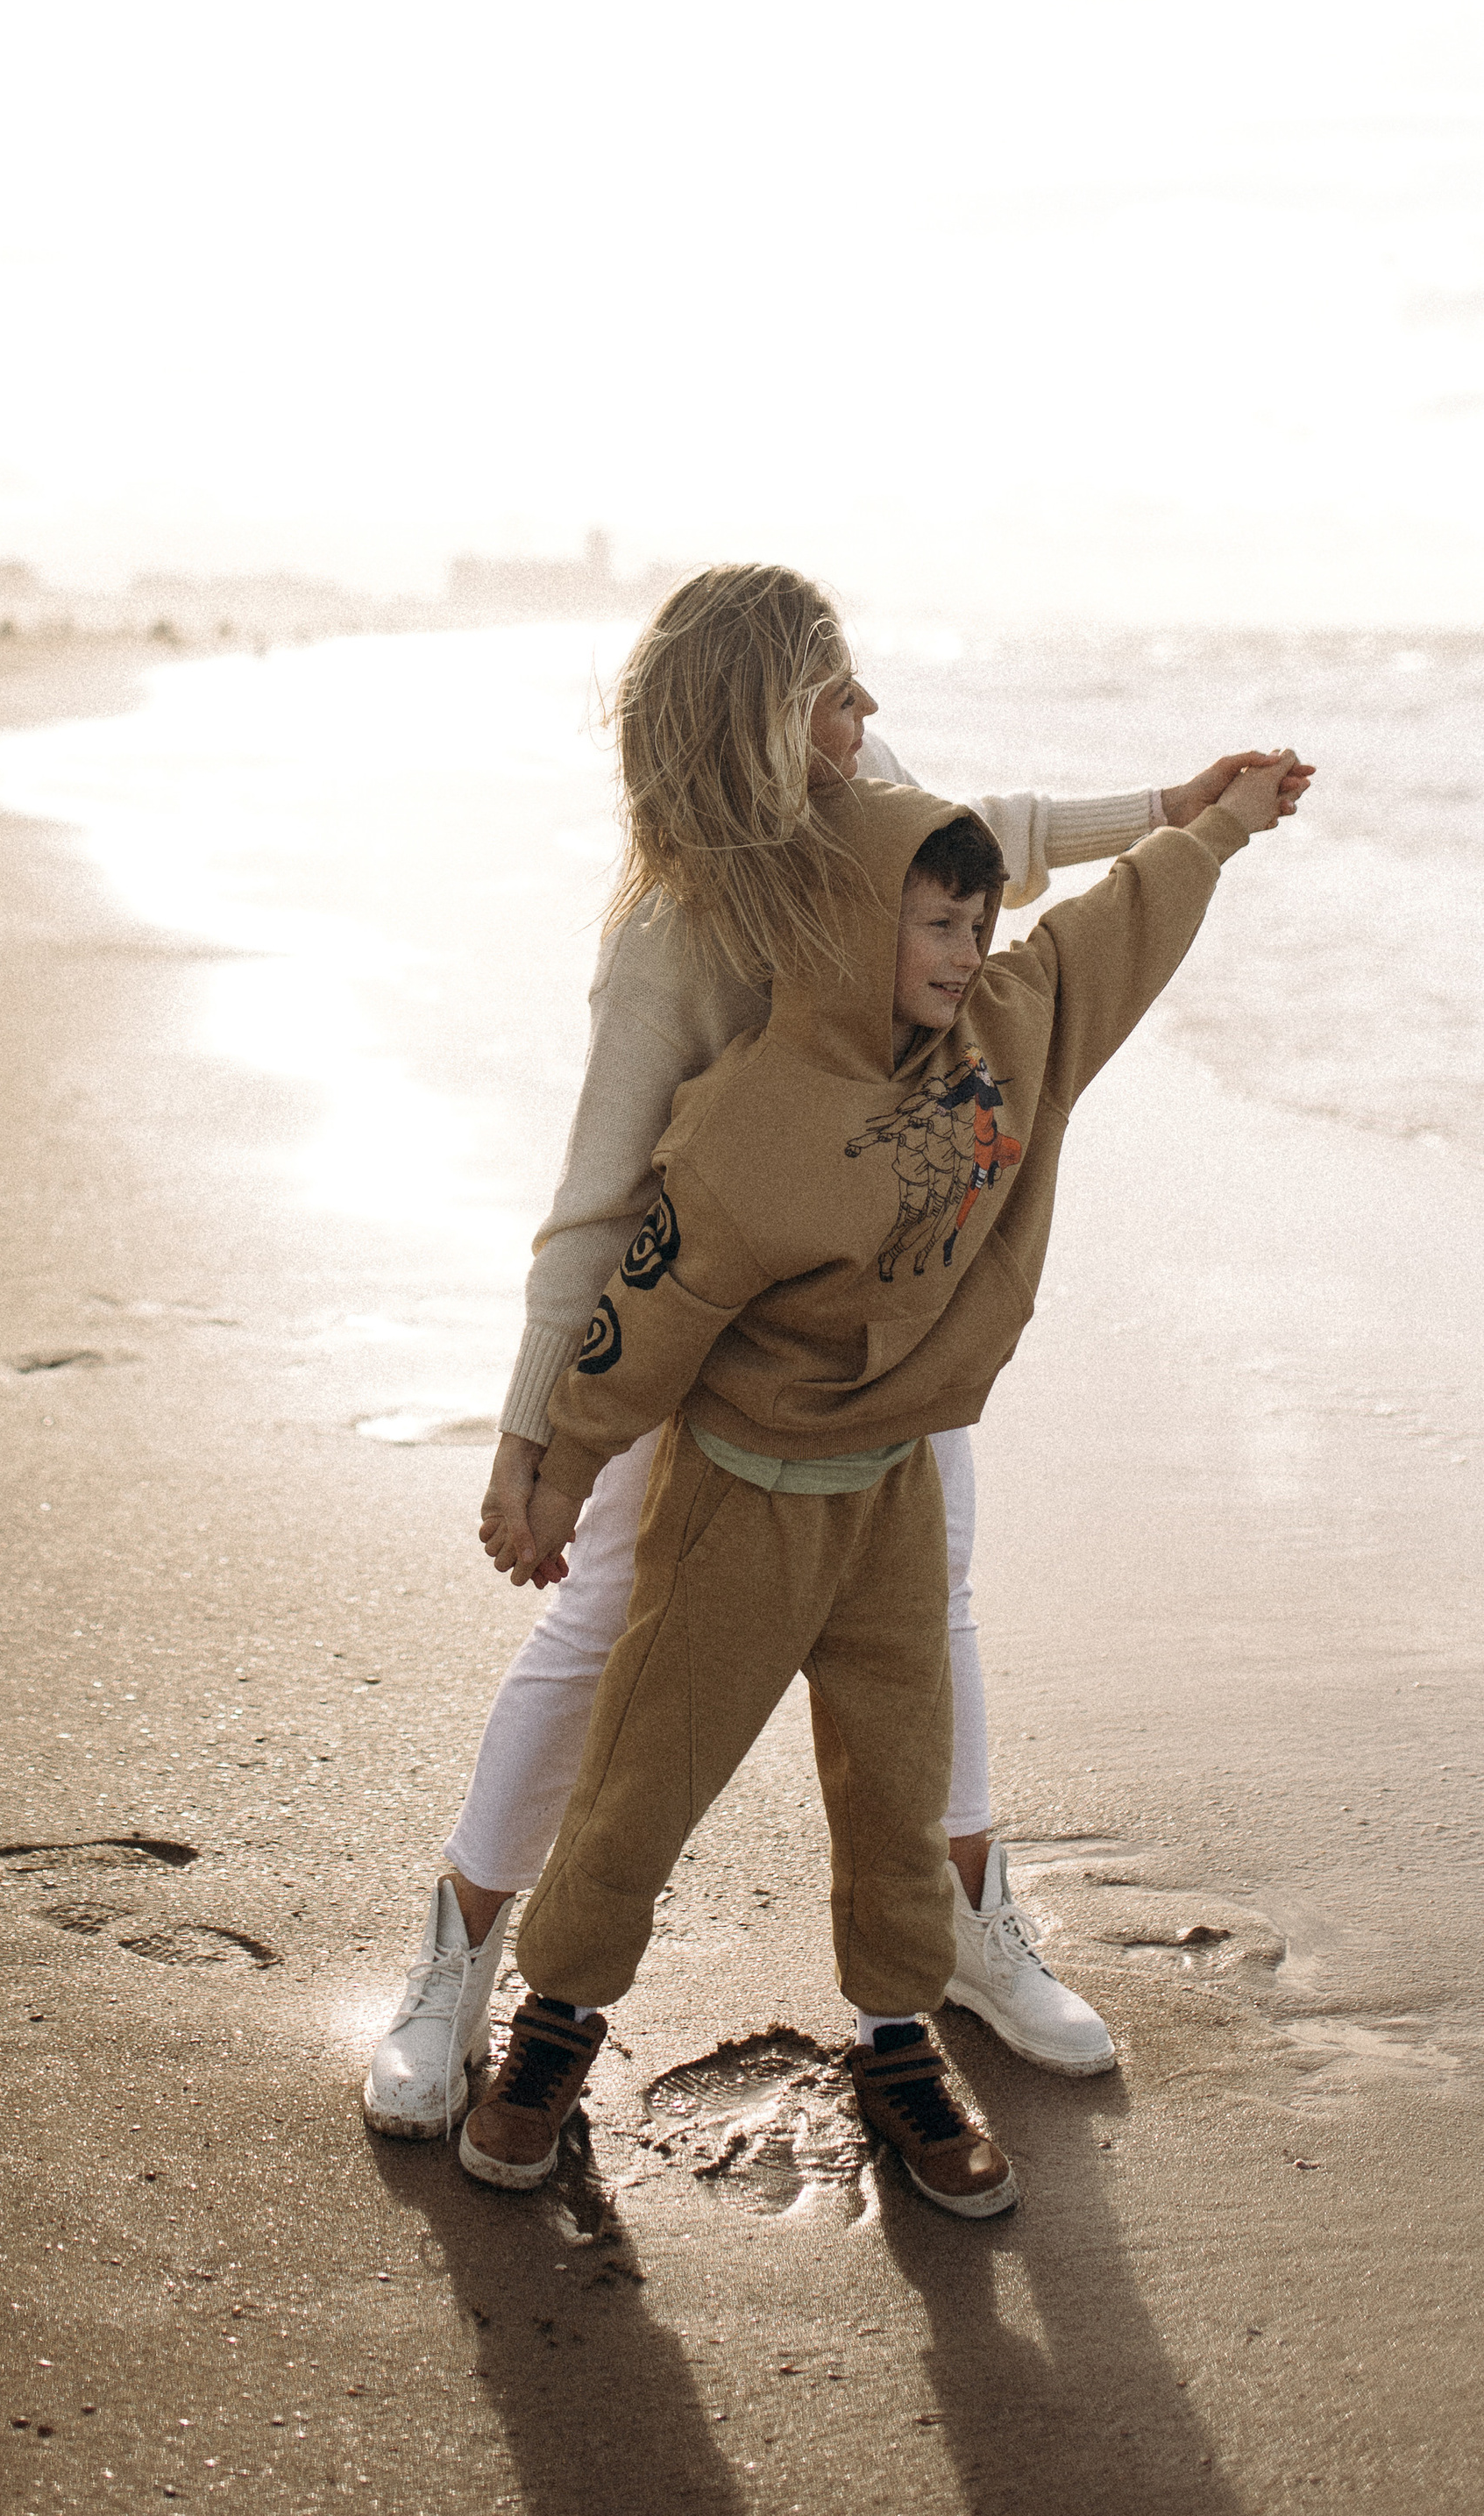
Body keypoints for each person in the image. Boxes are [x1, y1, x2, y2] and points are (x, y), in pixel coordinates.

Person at [364, 565, 1311, 2141]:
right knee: (605, 1609)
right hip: (694, 1322)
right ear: (758, 726)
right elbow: (595, 1209)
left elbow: (983, 836)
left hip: (902, 1302)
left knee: (929, 1599)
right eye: (838, 696)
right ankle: (460, 1957)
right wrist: (534, 1442)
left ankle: (964, 1935)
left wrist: (1170, 808)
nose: (870, 722)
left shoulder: (869, 797)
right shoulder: (673, 937)